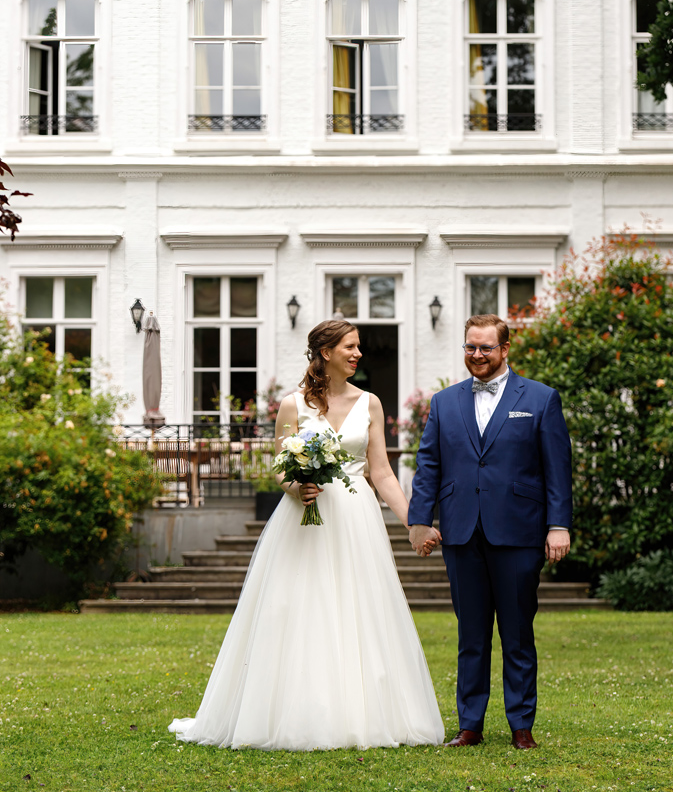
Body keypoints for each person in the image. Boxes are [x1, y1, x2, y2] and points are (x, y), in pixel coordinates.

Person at [170, 319, 444, 750]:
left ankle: (362, 714)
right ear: (325, 352)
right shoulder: (292, 406)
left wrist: (416, 522)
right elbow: (281, 469)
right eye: (349, 347)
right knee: (298, 608)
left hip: (355, 518)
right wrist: (297, 487)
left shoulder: (370, 403)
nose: (357, 354)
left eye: (358, 348)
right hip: (302, 519)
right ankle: (293, 711)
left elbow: (383, 473)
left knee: (358, 610)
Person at [408, 314, 572, 750]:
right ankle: (470, 726)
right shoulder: (444, 403)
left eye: (485, 348)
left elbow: (558, 470)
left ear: (505, 349)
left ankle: (521, 726)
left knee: (518, 632)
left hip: (519, 531)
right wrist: (418, 520)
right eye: (469, 348)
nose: (476, 355)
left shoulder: (540, 398)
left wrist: (558, 525)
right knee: (471, 634)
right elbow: (428, 466)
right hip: (461, 532)